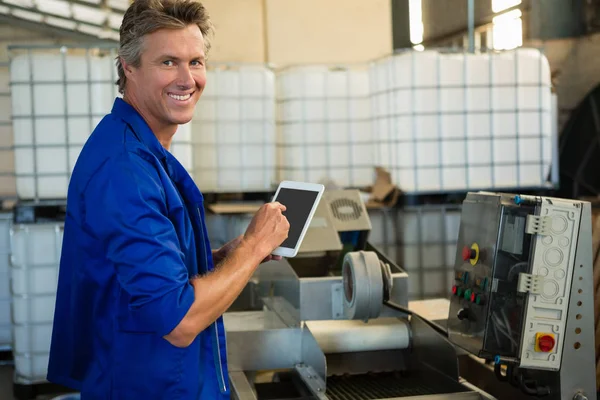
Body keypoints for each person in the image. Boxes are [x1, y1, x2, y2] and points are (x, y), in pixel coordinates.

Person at [46, 0, 290, 398]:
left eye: (195, 62)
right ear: (129, 67)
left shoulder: (143, 151)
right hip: (148, 386)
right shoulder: (126, 169)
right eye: (168, 62)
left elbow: (144, 279)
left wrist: (224, 258)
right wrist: (253, 246)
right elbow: (178, 320)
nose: (187, 78)